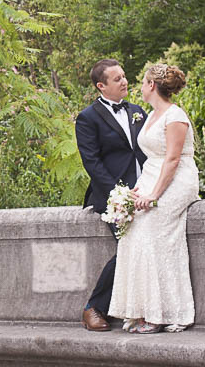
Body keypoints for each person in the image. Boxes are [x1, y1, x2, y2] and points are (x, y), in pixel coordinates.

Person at [108, 63, 199, 334]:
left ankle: (163, 313)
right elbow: (151, 159)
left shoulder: (175, 116)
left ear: (151, 85)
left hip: (177, 179)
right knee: (132, 232)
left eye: (143, 82)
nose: (139, 86)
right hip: (151, 177)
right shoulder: (149, 116)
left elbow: (172, 160)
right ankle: (141, 309)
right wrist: (136, 192)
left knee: (151, 230)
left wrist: (154, 195)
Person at [76, 59, 148, 332]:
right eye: (117, 79)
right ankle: (93, 308)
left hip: (146, 193)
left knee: (144, 247)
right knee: (130, 247)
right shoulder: (88, 118)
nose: (124, 82)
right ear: (101, 86)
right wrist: (120, 194)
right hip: (113, 198)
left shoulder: (137, 111)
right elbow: (92, 163)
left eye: (124, 76)